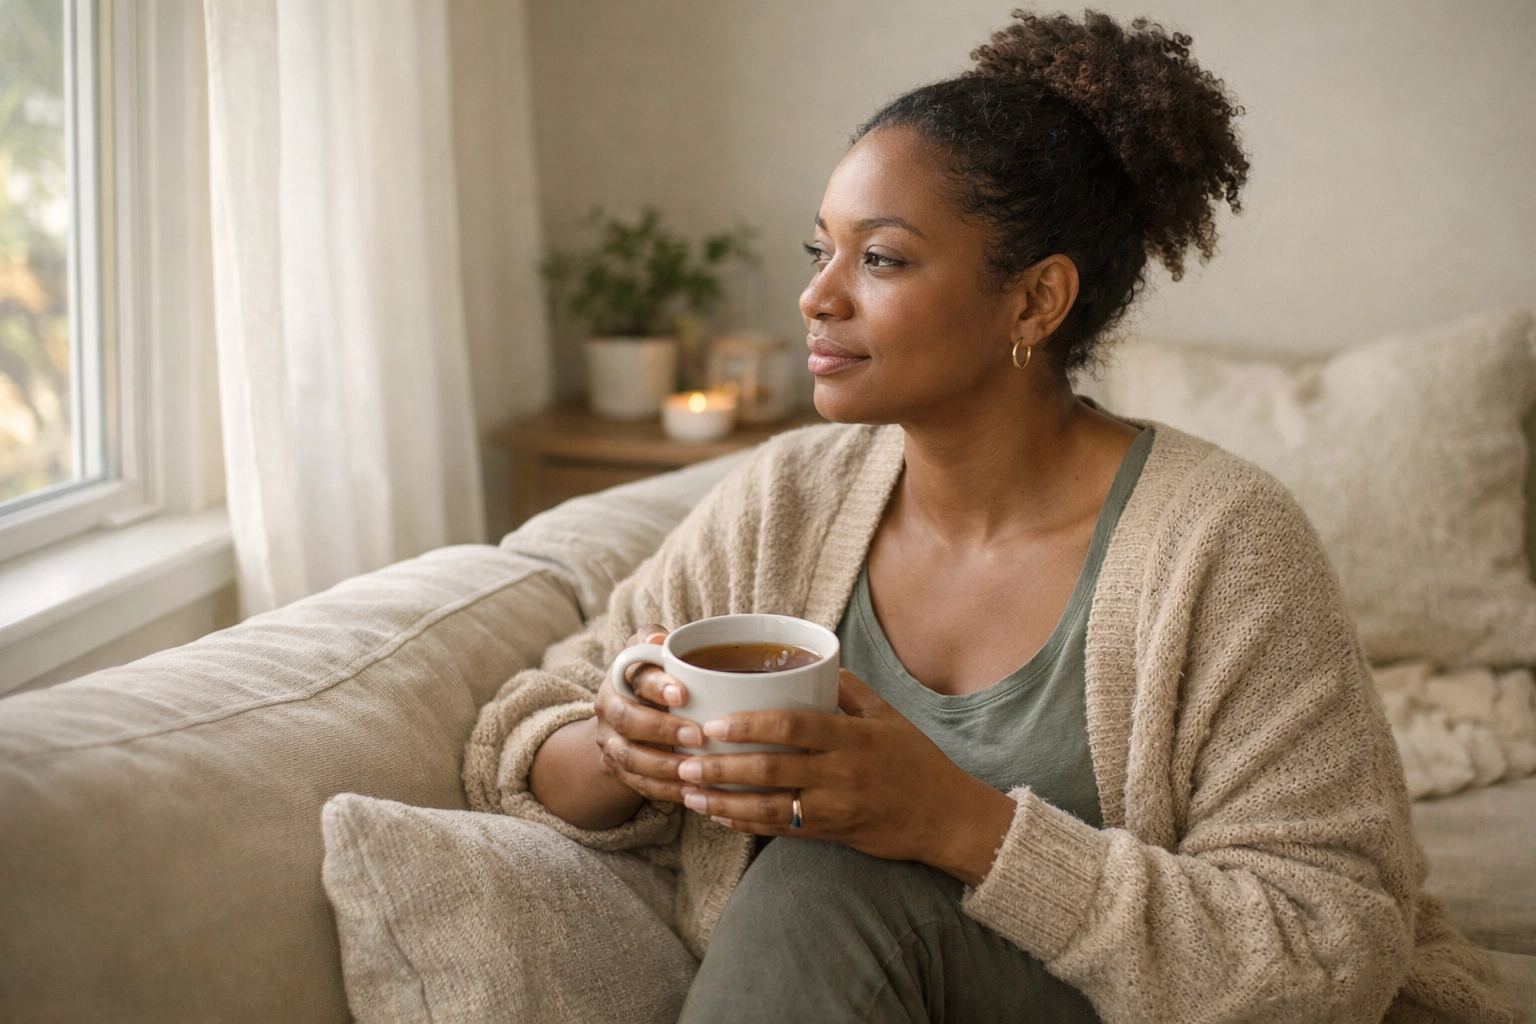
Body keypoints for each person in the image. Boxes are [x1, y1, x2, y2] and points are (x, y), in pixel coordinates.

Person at [465, 11, 1515, 1022]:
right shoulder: (788, 497)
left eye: (879, 258)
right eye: (818, 250)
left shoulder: (1222, 544)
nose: (817, 298)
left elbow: (1328, 948)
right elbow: (521, 734)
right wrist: (623, 744)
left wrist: (952, 822)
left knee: (821, 880)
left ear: (1034, 302)